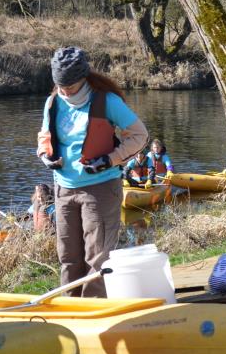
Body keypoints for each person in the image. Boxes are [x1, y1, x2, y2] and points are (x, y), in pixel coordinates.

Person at [36, 47, 148, 298]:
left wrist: (110, 159)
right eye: (61, 86)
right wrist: (45, 155)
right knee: (68, 256)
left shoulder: (107, 101)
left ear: (83, 78)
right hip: (64, 189)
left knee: (97, 258)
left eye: (70, 87)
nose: (65, 92)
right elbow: (44, 137)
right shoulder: (53, 102)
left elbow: (140, 135)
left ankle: (94, 307)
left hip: (100, 188)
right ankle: (70, 306)